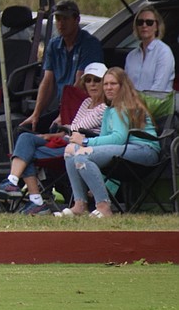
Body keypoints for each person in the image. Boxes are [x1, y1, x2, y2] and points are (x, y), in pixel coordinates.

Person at [0, 62, 108, 215]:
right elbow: (71, 128)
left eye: (96, 80)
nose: (92, 84)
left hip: (81, 147)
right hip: (67, 139)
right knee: (25, 138)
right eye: (88, 80)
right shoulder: (86, 102)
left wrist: (60, 130)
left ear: (104, 83)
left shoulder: (105, 107)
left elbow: (76, 128)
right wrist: (50, 135)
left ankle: (36, 201)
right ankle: (12, 181)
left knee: (27, 153)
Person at [55, 67, 159, 218]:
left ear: (123, 86)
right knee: (71, 150)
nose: (108, 88)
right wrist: (80, 145)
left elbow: (118, 138)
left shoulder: (124, 106)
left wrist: (85, 141)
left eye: (113, 84)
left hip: (144, 151)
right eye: (106, 84)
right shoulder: (109, 110)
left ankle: (104, 206)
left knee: (83, 155)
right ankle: (79, 204)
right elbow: (105, 142)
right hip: (124, 151)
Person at [21, 0, 103, 131]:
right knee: (25, 128)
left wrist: (62, 115)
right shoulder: (54, 44)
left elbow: (80, 85)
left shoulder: (89, 44)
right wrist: (36, 114)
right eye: (58, 19)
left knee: (54, 130)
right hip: (61, 106)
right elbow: (47, 82)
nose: (60, 23)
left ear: (77, 20)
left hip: (84, 108)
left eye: (65, 19)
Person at [124, 5, 174, 93]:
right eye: (140, 22)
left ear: (156, 26)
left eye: (149, 22)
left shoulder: (164, 52)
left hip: (157, 104)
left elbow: (158, 89)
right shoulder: (131, 56)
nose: (144, 25)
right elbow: (126, 86)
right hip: (132, 104)